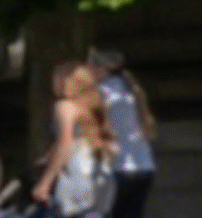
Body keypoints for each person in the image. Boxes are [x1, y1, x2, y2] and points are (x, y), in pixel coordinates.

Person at [31, 62, 118, 218]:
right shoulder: (94, 105)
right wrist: (49, 155)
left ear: (65, 81)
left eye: (55, 78)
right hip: (99, 172)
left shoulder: (64, 106)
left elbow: (65, 143)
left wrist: (45, 182)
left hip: (75, 174)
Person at [85, 49, 158, 218]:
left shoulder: (100, 93)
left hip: (116, 169)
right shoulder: (131, 90)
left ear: (100, 68)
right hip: (144, 166)